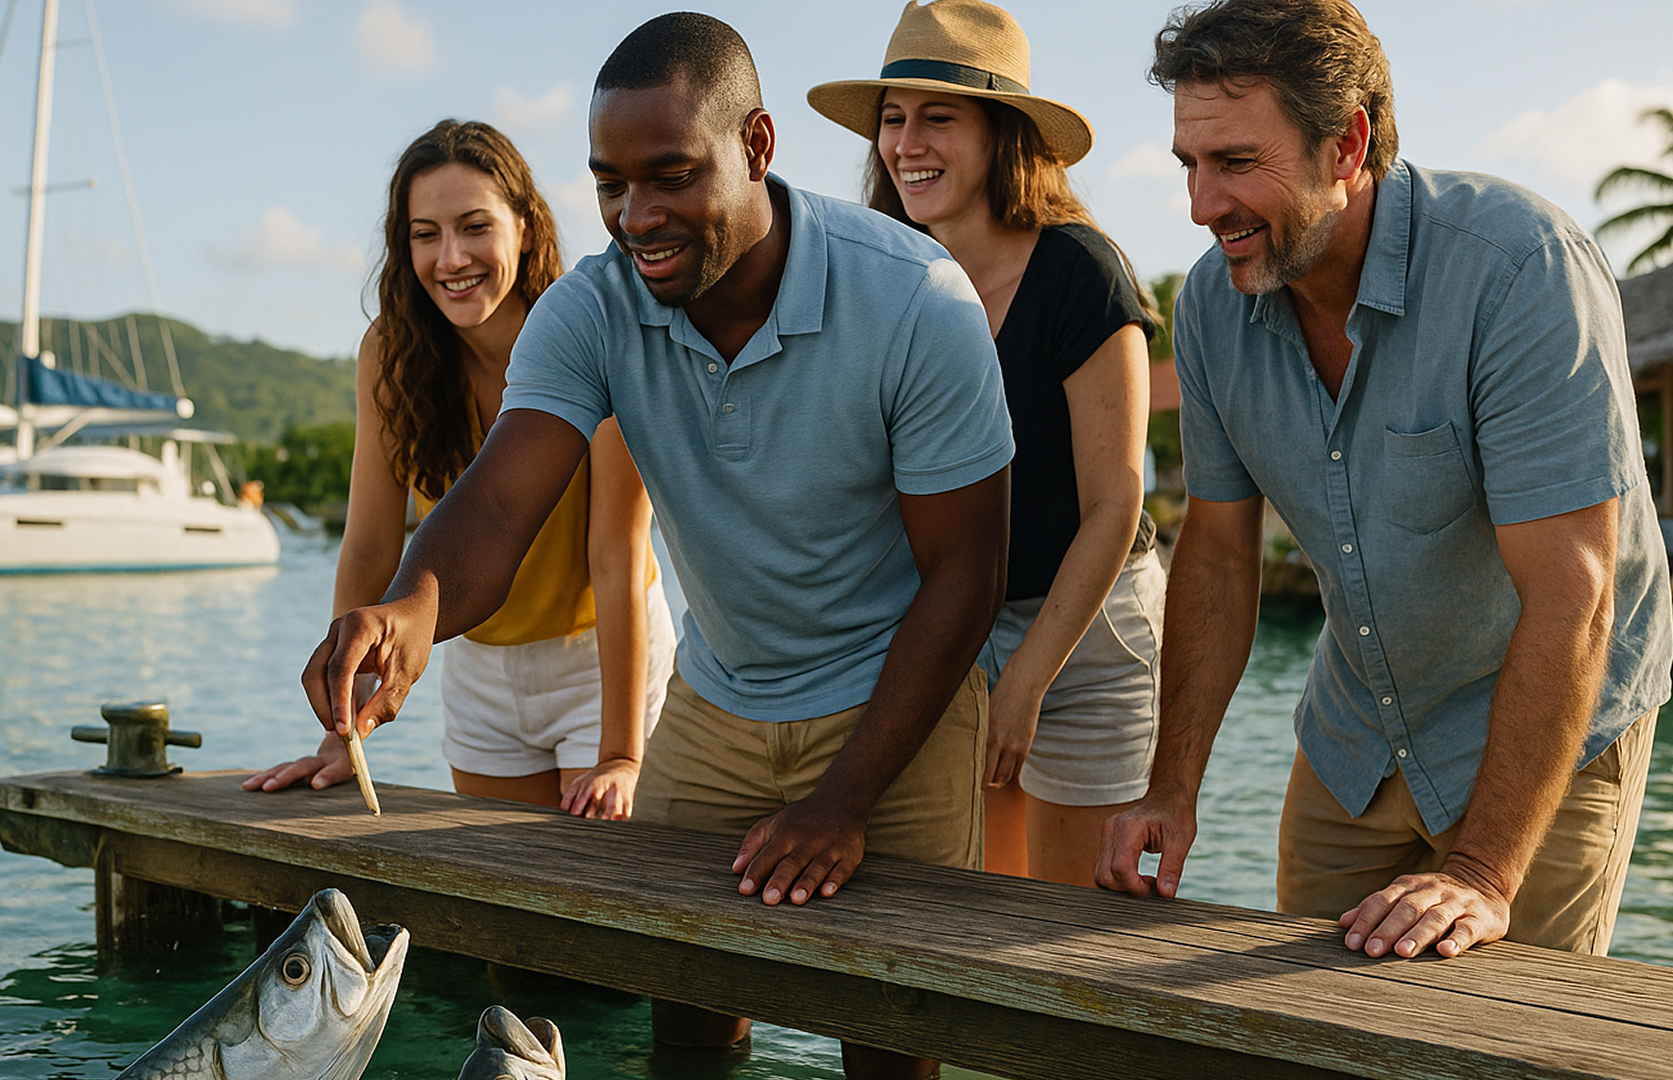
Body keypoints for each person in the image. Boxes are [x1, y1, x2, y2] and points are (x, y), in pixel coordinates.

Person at [303, 14, 1012, 1078]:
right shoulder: (589, 312)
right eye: (610, 184)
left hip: (895, 699)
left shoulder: (915, 297)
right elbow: (494, 510)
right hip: (718, 703)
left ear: (759, 146)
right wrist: (408, 612)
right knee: (685, 1017)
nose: (637, 217)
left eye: (671, 175)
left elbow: (970, 571)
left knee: (888, 1035)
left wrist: (844, 800)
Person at [1096, 0, 1671, 962]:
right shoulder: (1207, 304)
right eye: (1189, 166)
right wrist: (1172, 785)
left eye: (1235, 163)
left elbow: (1576, 591)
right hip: (1356, 730)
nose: (1202, 206)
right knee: (1283, 1029)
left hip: (1549, 730)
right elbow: (1218, 555)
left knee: (1503, 1045)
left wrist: (1483, 873)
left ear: (1347, 145)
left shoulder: (1520, 269)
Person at [810, 0, 1162, 885]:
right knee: (974, 909)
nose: (906, 143)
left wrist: (1028, 680)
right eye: (893, 119)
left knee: (1067, 930)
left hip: (1088, 628)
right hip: (955, 624)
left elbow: (1116, 504)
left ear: (1003, 133)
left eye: (939, 117)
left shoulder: (1081, 271)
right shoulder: (886, 277)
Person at [244, 120, 675, 821]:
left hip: (601, 654)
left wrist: (621, 754)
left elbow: (618, 552)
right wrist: (337, 737)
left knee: (600, 881)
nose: (451, 258)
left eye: (475, 227)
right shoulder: (390, 354)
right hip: (479, 667)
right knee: (505, 895)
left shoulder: (590, 330)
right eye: (424, 234)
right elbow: (370, 548)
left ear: (527, 228)